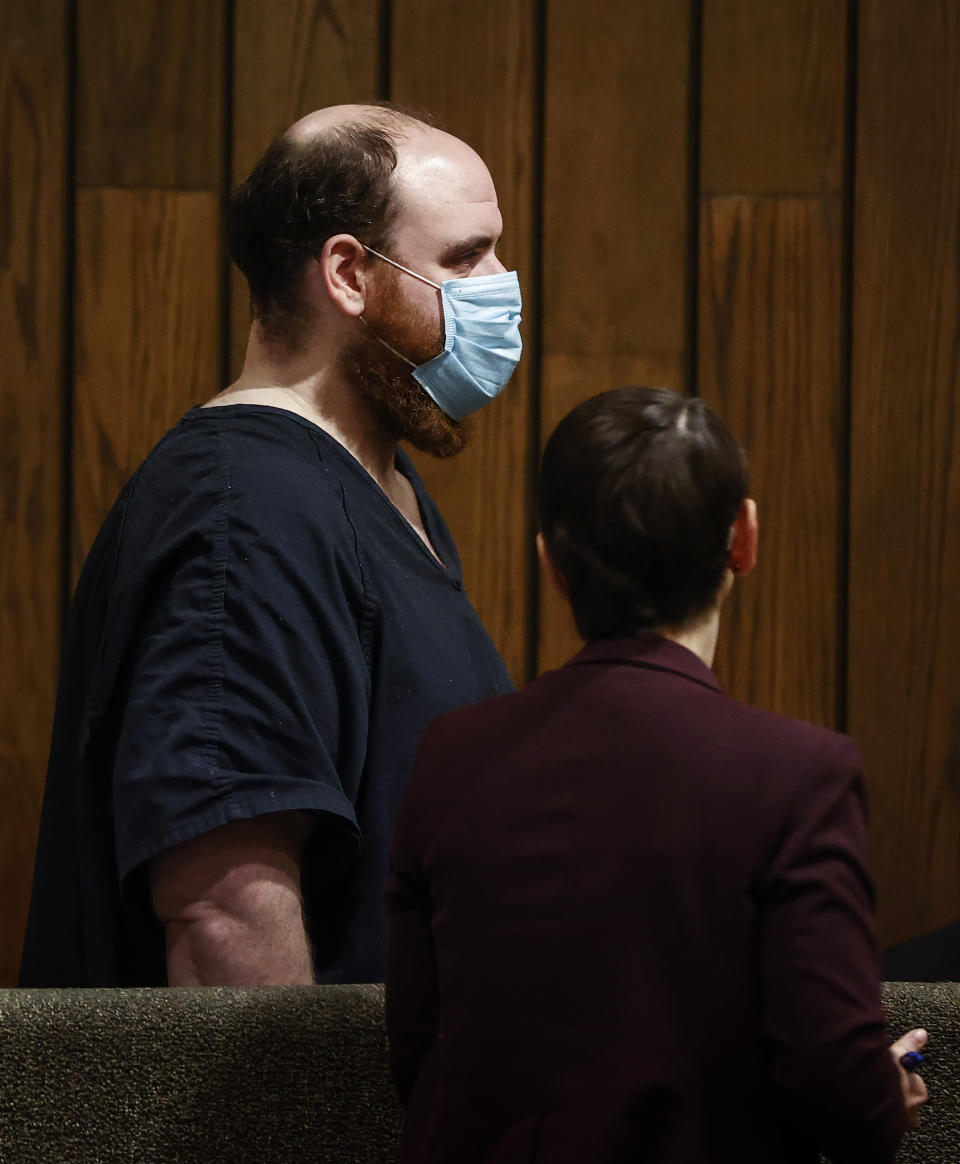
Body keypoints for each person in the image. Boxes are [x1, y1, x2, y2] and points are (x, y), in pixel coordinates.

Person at [20, 103, 520, 987]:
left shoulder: (380, 489)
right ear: (349, 274)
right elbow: (223, 916)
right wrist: (303, 1132)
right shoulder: (246, 514)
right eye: (466, 258)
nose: (502, 286)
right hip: (303, 1126)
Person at [385, 387, 927, 1163]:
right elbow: (840, 1092)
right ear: (744, 538)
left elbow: (419, 1054)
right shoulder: (800, 776)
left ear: (553, 566)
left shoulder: (450, 756)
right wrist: (885, 1091)